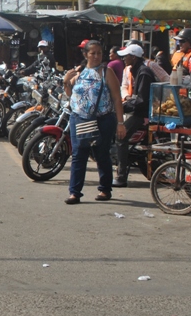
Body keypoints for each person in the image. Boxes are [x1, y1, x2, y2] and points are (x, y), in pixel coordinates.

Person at [63, 40, 126, 204]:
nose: (96, 56)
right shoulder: (79, 72)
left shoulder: (107, 72)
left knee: (101, 154)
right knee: (78, 155)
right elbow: (70, 94)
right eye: (93, 53)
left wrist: (120, 123)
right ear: (86, 55)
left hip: (103, 120)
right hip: (79, 118)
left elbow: (117, 98)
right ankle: (75, 192)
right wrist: (66, 81)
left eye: (99, 53)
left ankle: (105, 189)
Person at [113, 43, 154, 187]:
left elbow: (142, 100)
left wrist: (123, 107)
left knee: (121, 137)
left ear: (134, 57)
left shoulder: (143, 73)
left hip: (142, 114)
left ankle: (121, 176)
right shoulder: (136, 70)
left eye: (126, 56)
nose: (123, 59)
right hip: (137, 110)